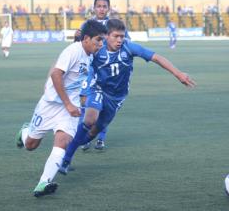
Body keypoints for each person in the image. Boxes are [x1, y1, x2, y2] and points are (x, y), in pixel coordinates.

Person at [58, 19, 196, 174]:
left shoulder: (129, 47)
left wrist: (178, 74)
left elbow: (156, 57)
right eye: (116, 36)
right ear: (106, 36)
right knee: (89, 119)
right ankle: (65, 160)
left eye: (122, 36)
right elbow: (82, 61)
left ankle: (67, 144)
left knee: (89, 135)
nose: (119, 40)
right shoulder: (98, 49)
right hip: (98, 89)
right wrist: (83, 89)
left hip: (117, 98)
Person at [14, 20, 107, 197]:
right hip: (50, 105)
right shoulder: (73, 51)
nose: (100, 44)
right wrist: (68, 104)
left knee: (63, 141)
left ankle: (43, 182)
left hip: (68, 109)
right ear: (86, 39)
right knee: (30, 145)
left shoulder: (90, 55)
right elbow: (56, 74)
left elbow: (79, 80)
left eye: (102, 41)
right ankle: (24, 131)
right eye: (98, 40)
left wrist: (76, 102)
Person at [78, 0, 130, 151]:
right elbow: (81, 44)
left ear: (108, 8)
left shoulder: (113, 24)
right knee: (85, 103)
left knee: (105, 107)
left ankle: (100, 138)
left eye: (104, 6)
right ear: (94, 8)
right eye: (98, 6)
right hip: (91, 69)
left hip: (108, 71)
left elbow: (126, 42)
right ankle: (84, 139)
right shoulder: (88, 24)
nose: (101, 9)